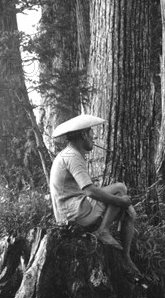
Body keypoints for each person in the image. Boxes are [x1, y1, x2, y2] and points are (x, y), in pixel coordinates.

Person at [49, 114, 139, 274]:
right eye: (91, 132)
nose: (93, 136)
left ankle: (126, 257)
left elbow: (87, 190)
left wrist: (122, 204)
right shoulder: (73, 157)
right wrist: (120, 202)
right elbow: (89, 190)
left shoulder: (69, 154)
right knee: (120, 189)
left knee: (126, 209)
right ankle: (104, 232)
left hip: (71, 212)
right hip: (74, 217)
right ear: (83, 134)